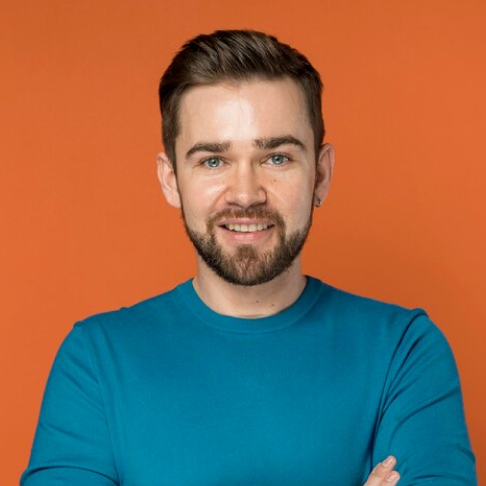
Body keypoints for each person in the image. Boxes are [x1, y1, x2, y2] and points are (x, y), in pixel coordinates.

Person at [21, 30, 477, 486]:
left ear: (320, 174)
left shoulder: (404, 351)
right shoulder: (96, 361)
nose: (245, 194)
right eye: (213, 161)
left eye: (276, 158)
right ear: (171, 179)